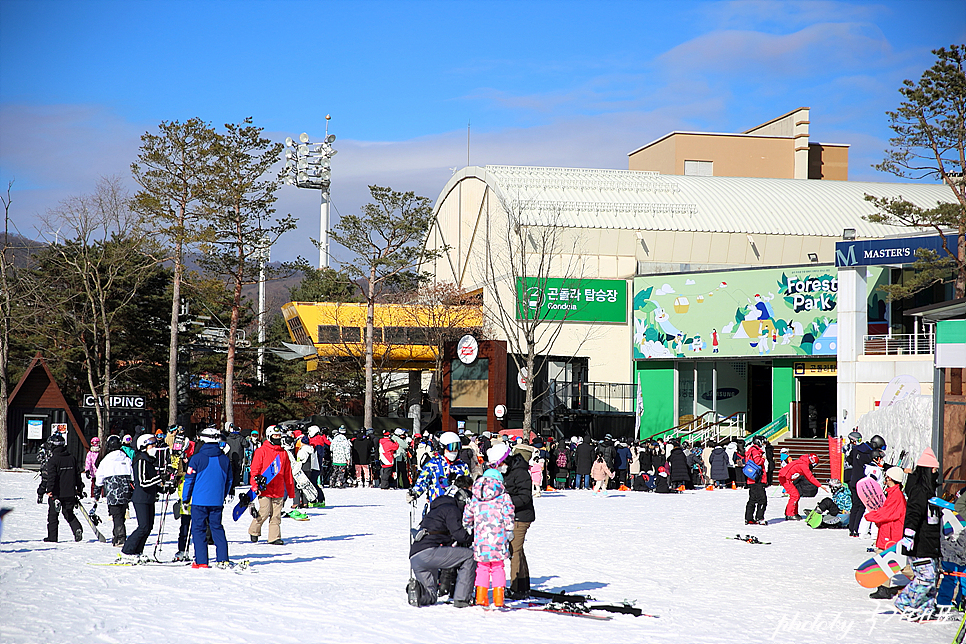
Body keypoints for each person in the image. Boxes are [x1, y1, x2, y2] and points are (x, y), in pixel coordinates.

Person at [408, 475, 476, 608]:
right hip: (429, 552)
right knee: (470, 556)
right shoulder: (452, 509)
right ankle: (462, 598)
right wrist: (474, 535)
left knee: (431, 596)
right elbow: (460, 535)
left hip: (415, 556)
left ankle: (418, 593)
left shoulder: (435, 510)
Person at [895, 447, 942, 616]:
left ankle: (925, 608)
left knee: (932, 578)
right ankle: (904, 602)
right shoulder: (920, 491)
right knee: (926, 578)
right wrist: (909, 534)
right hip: (919, 543)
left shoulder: (930, 492)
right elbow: (914, 513)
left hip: (930, 544)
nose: (937, 474)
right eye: (935, 470)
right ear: (927, 471)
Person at [182, 426, 233, 569]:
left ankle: (201, 560)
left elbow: (189, 480)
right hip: (216, 500)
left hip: (199, 501)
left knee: (198, 530)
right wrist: (222, 496)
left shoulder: (197, 458)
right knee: (217, 528)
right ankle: (223, 558)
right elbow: (229, 480)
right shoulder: (224, 459)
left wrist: (186, 499)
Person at [463, 468, 515, 608]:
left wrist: (467, 524)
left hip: (481, 539)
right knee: (498, 567)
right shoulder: (503, 496)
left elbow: (468, 513)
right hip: (498, 538)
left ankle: (481, 598)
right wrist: (509, 529)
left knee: (482, 567)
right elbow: (508, 513)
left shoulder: (476, 495)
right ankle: (499, 599)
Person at [119, 434, 168, 562]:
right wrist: (159, 478)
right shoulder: (141, 460)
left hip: (149, 498)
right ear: (144, 446)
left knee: (148, 526)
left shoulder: (150, 460)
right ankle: (127, 550)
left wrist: (163, 488)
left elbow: (152, 482)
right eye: (151, 445)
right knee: (143, 526)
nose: (154, 447)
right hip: (141, 498)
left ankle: (138, 550)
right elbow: (143, 482)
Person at [248, 425, 295, 546]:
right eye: (275, 436)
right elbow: (255, 470)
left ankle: (274, 537)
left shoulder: (283, 453)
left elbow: (288, 473)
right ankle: (254, 530)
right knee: (264, 512)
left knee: (276, 515)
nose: (278, 438)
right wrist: (255, 485)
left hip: (278, 489)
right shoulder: (261, 451)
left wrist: (291, 492)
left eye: (279, 436)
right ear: (269, 437)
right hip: (265, 488)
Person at [500, 441, 534, 600]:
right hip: (514, 515)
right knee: (519, 551)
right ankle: (523, 584)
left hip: (521, 516)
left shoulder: (521, 473)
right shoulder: (513, 470)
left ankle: (516, 588)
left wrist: (507, 501)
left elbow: (525, 497)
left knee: (514, 551)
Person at [407, 431, 470, 508]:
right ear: (443, 447)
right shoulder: (433, 464)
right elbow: (423, 481)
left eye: (457, 448)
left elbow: (469, 484)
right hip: (438, 505)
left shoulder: (462, 466)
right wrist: (415, 493)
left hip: (457, 506)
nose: (454, 452)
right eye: (451, 448)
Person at [42, 432, 85, 543]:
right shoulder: (72, 458)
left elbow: (52, 477)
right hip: (70, 492)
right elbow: (77, 475)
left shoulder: (53, 460)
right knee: (68, 512)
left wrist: (49, 490)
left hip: (57, 493)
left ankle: (52, 537)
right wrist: (79, 489)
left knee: (53, 515)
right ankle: (77, 529)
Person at [94, 434, 133, 547]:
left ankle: (120, 537)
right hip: (125, 489)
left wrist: (97, 490)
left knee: (116, 515)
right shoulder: (126, 458)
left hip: (112, 490)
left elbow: (99, 477)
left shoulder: (106, 460)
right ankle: (116, 535)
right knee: (121, 513)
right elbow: (132, 474)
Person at [848, 434, 885, 536]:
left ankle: (852, 528)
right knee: (862, 506)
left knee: (855, 505)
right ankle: (857, 529)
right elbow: (876, 464)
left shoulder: (857, 449)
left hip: (853, 479)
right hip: (863, 482)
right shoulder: (869, 454)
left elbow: (849, 459)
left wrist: (856, 466)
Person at [865, 466, 907, 552]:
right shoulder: (893, 492)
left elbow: (887, 513)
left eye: (886, 476)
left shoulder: (896, 494)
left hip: (892, 533)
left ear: (890, 478)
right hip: (889, 531)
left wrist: (872, 516)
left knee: (887, 560)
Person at [780, 453, 826, 520]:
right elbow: (810, 477)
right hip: (784, 478)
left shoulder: (803, 462)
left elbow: (807, 477)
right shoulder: (804, 465)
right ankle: (789, 514)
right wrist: (820, 485)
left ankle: (793, 512)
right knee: (795, 495)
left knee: (796, 495)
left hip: (785, 477)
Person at [744, 436, 768, 525]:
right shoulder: (755, 450)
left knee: (753, 499)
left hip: (752, 479)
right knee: (762, 499)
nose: (763, 445)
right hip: (757, 479)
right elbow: (757, 462)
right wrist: (763, 458)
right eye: (762, 443)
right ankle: (759, 518)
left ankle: (749, 518)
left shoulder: (750, 450)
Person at [224, 424, 249, 494]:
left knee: (231, 471)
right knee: (237, 471)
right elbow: (246, 445)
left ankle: (230, 485)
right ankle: (236, 484)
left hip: (230, 456)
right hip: (239, 457)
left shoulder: (228, 438)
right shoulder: (240, 438)